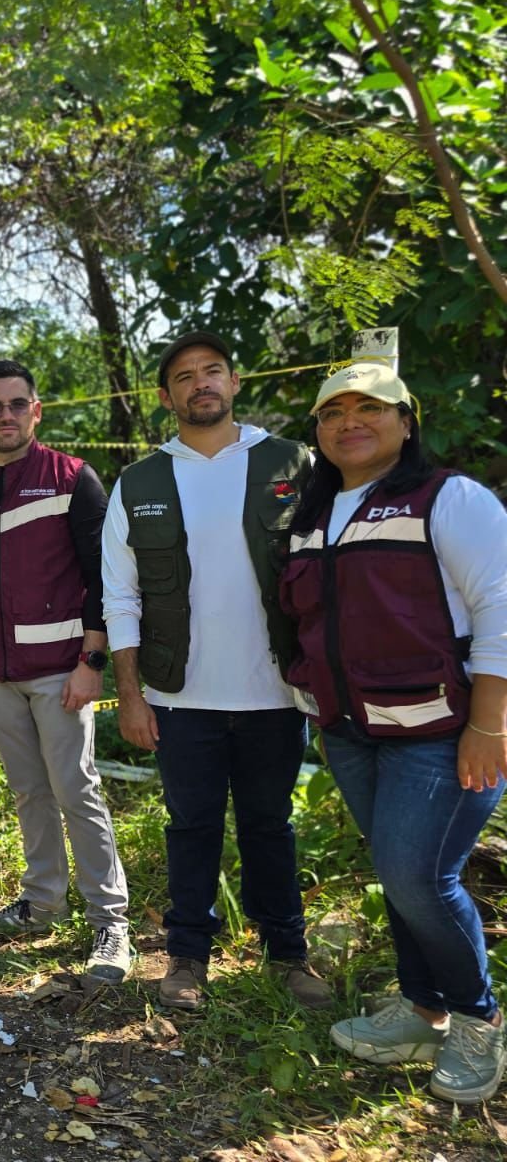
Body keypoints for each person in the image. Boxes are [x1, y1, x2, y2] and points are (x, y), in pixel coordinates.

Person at [279, 362, 507, 1102]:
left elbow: (501, 610)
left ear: (406, 421)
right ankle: (421, 1011)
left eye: (370, 407)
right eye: (333, 411)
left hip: (443, 732)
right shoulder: (311, 516)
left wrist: (489, 725)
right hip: (351, 734)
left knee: (420, 877)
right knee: (398, 876)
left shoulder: (450, 498)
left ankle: (479, 1020)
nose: (351, 421)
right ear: (317, 432)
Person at [101, 331, 332, 1011]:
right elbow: (120, 594)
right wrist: (131, 695)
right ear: (166, 396)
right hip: (180, 696)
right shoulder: (140, 480)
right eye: (183, 377)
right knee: (190, 826)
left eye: (213, 372)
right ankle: (186, 958)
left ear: (233, 383)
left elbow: (331, 574)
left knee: (270, 825)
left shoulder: (294, 462)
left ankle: (289, 956)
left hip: (278, 694)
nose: (200, 384)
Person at [0, 359, 133, 982]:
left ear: (36, 411)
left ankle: (110, 924)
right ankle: (41, 903)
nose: (6, 416)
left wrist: (92, 660)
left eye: (16, 404)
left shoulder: (72, 479)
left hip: (61, 672)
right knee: (28, 791)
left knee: (76, 789)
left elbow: (105, 575)